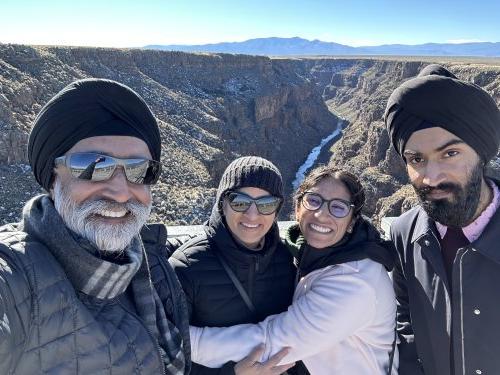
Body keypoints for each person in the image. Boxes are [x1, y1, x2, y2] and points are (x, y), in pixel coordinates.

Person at [0, 79, 190, 374]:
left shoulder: (149, 261)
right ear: (52, 179)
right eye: (91, 166)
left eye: (139, 170)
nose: (120, 191)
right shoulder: (16, 276)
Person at [188, 166, 398, 375]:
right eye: (313, 200)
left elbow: (271, 343)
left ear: (352, 220)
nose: (321, 214)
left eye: (338, 207)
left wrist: (184, 342)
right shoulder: (307, 254)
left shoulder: (354, 282)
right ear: (298, 207)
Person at [384, 64, 500, 375]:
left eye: (449, 154)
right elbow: (406, 321)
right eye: (416, 159)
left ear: (481, 152)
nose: (431, 177)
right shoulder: (403, 233)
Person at [169, 156, 298, 375]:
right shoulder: (185, 268)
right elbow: (168, 359)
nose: (252, 214)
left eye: (266, 204)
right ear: (222, 204)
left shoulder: (287, 261)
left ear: (277, 211)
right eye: (240, 201)